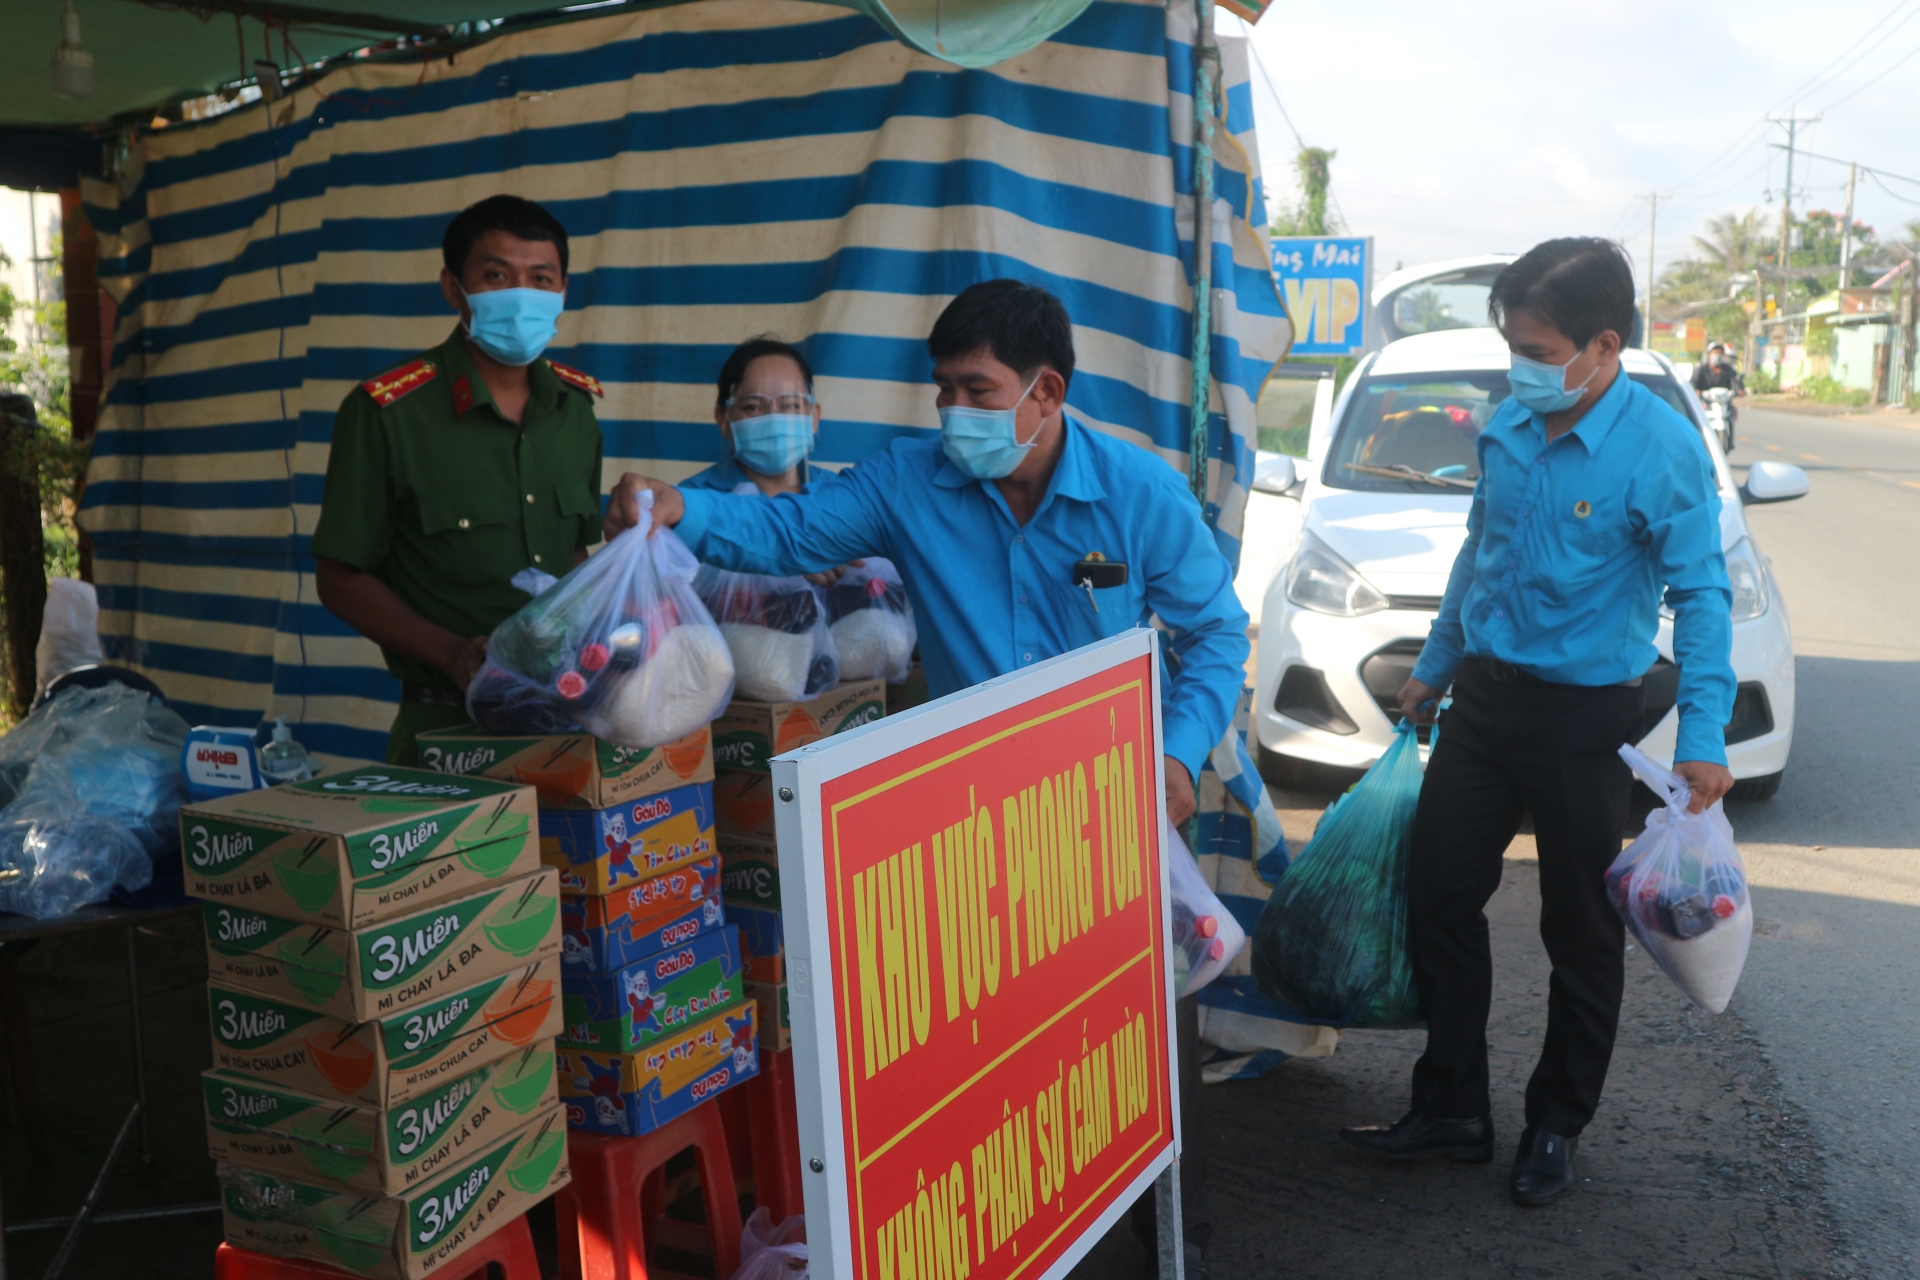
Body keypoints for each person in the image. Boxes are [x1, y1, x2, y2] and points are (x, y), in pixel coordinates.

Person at [605, 279, 1248, 1277]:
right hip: (976, 811)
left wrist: (1176, 752)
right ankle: (1021, 1226)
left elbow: (1216, 635)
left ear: (1046, 392)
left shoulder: (1139, 494)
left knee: (1146, 1025)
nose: (953, 411)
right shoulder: (909, 480)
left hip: (1113, 803)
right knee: (1001, 1037)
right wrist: (684, 507)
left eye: (976, 389)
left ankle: (1175, 1234)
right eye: (942, 388)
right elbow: (788, 533)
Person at [1342, 238, 1735, 1207]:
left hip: (1583, 719)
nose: (1519, 367)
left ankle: (1556, 1122)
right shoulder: (1511, 422)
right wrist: (1435, 665)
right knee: (1438, 894)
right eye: (1512, 346)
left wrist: (1704, 735)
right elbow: (1480, 549)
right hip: (1483, 703)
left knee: (1580, 928)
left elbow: (1703, 595)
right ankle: (1452, 1106)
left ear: (1604, 345)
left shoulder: (1663, 449)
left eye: (1537, 349)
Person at [311, 195, 606, 765]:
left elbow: (574, 553)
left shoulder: (575, 411)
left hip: (569, 718)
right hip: (444, 729)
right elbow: (339, 577)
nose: (521, 294)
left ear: (563, 291)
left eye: (540, 278)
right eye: (497, 276)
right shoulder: (387, 412)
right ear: (454, 288)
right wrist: (453, 655)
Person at [684, 337, 821, 496]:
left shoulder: (838, 495)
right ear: (723, 419)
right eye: (753, 407)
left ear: (814, 416)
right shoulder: (689, 500)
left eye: (790, 405)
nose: (774, 421)